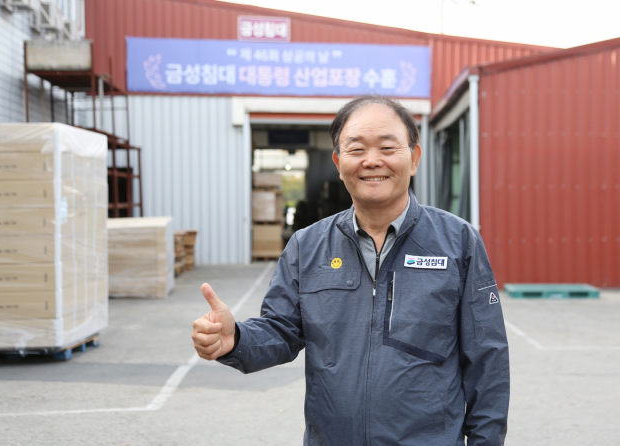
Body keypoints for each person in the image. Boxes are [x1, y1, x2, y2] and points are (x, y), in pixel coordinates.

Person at [192, 95, 509, 445]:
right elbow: (280, 331)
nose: (372, 161)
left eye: (388, 147)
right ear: (339, 162)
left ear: (414, 158)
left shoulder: (458, 242)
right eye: (356, 149)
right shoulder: (307, 246)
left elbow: (486, 359)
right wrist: (235, 338)